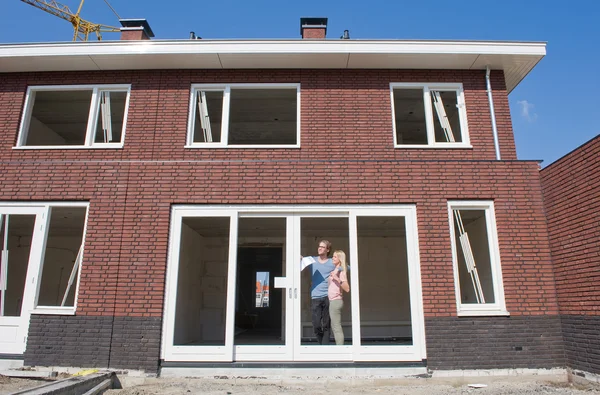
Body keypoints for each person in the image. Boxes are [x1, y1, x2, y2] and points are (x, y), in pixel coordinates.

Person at [301, 240, 335, 344]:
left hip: (328, 297)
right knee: (316, 324)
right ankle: (321, 345)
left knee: (326, 324)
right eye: (319, 246)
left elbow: (347, 267)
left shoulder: (332, 262)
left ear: (327, 250)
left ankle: (325, 348)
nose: (319, 248)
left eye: (323, 247)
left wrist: (338, 271)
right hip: (315, 297)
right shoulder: (312, 260)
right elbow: (301, 259)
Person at [328, 250, 350, 345]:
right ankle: (339, 347)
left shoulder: (341, 272)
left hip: (336, 301)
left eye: (335, 257)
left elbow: (347, 288)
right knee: (334, 325)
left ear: (340, 259)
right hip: (332, 301)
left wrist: (337, 279)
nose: (332, 258)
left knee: (336, 326)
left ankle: (340, 349)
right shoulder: (337, 270)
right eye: (333, 256)